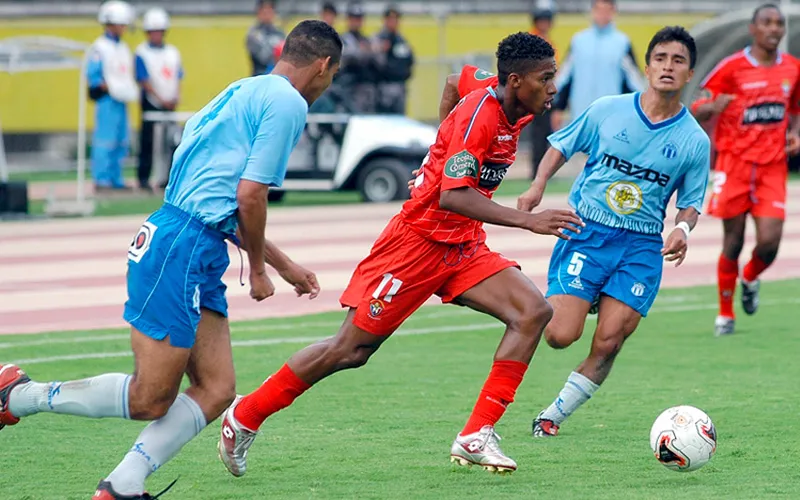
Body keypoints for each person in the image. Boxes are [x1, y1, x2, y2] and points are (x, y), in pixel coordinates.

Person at [0, 20, 342, 500]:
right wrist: (261, 270)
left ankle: (122, 485)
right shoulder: (288, 102)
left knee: (218, 387)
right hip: (181, 247)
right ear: (324, 66)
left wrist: (281, 263)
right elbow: (249, 196)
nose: (327, 86)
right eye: (332, 76)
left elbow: (219, 194)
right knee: (149, 397)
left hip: (188, 239)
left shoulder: (243, 90)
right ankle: (17, 396)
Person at [218, 33, 582, 476]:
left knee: (531, 312)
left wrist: (439, 151)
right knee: (349, 350)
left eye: (553, 78)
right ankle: (245, 416)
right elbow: (454, 198)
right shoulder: (481, 119)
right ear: (515, 80)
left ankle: (475, 435)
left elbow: (453, 81)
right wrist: (528, 219)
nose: (552, 88)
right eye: (545, 79)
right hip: (415, 246)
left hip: (462, 245)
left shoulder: (506, 96)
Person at [515, 26, 710, 437]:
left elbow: (691, 202)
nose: (668, 67)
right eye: (661, 59)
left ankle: (552, 417)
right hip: (589, 231)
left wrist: (683, 230)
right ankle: (579, 296)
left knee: (608, 343)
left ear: (689, 73)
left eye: (678, 61)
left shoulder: (693, 140)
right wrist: (536, 186)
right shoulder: (609, 109)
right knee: (558, 335)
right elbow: (561, 145)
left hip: (640, 246)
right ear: (647, 66)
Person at [690, 3, 800, 336]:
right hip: (734, 164)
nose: (774, 29)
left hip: (771, 167)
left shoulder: (793, 68)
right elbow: (697, 105)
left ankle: (750, 278)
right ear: (753, 29)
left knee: (769, 243)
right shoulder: (731, 67)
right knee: (733, 241)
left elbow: (794, 108)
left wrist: (795, 132)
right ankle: (725, 314)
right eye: (766, 23)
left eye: (778, 24)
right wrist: (711, 106)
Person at [551, 0, 644, 131]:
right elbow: (565, 78)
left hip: (611, 120)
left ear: (613, 12)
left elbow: (634, 82)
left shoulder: (622, 43)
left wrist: (636, 111)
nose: (602, 15)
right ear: (592, 11)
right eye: (599, 10)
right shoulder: (578, 41)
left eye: (607, 11)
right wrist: (558, 108)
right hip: (580, 117)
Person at [88, 0, 138, 192]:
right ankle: (102, 180)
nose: (124, 28)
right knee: (105, 140)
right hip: (107, 100)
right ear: (112, 23)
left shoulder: (122, 48)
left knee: (121, 140)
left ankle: (115, 178)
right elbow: (93, 75)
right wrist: (106, 87)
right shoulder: (99, 47)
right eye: (122, 24)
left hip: (121, 99)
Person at [135, 7, 184, 192]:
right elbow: (143, 79)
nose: (156, 34)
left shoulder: (172, 52)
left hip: (170, 103)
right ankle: (144, 179)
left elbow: (178, 76)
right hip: (151, 102)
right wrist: (160, 98)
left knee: (170, 142)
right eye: (152, 31)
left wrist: (174, 97)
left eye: (159, 31)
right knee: (148, 142)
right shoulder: (142, 52)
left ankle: (166, 179)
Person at [373, 5, 415, 114]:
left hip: (400, 87)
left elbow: (409, 61)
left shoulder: (402, 41)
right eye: (390, 19)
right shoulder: (378, 40)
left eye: (395, 19)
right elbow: (377, 65)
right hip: (383, 88)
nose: (393, 22)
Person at [246, 0, 286, 76]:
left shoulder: (280, 33)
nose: (267, 15)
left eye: (270, 11)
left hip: (277, 76)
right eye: (264, 12)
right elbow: (263, 57)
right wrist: (276, 50)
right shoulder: (253, 34)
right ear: (258, 13)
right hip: (260, 75)